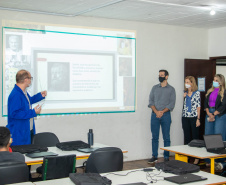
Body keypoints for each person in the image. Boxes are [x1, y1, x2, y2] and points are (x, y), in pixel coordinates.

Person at [6, 70, 47, 146]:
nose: (31, 80)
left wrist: (40, 95)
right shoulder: (16, 94)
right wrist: (33, 112)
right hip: (19, 134)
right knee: (22, 156)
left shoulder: (23, 92)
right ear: (25, 79)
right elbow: (15, 113)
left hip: (27, 130)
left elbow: (28, 101)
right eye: (30, 78)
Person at [148, 70, 176, 163]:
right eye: (159, 75)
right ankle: (154, 156)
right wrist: (156, 112)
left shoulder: (171, 89)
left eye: (162, 75)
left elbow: (171, 104)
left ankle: (166, 157)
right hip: (154, 115)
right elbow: (151, 102)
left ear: (166, 76)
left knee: (166, 137)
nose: (160, 76)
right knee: (154, 137)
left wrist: (162, 112)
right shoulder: (154, 88)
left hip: (166, 115)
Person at [182, 76, 201, 164]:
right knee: (187, 137)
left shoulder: (197, 93)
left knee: (195, 137)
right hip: (185, 117)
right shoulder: (185, 93)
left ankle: (197, 158)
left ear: (192, 83)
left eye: (188, 82)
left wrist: (198, 119)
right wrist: (184, 97)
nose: (186, 84)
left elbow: (198, 107)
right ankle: (188, 157)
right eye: (185, 82)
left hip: (194, 117)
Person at [204, 74, 226, 140]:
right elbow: (205, 103)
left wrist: (213, 114)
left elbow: (223, 105)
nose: (214, 81)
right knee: (208, 133)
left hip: (219, 114)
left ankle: (220, 150)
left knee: (218, 133)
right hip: (209, 113)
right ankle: (210, 149)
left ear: (221, 82)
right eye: (214, 80)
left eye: (216, 80)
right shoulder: (210, 91)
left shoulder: (224, 92)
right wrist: (208, 113)